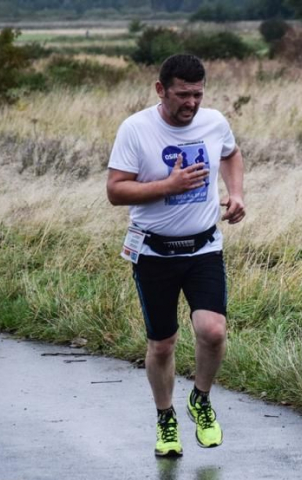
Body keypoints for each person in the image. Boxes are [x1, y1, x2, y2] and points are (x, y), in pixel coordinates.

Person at [106, 54, 245, 458]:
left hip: (204, 246)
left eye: (198, 94)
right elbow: (116, 190)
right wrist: (168, 186)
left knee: (213, 330)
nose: (192, 103)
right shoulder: (135, 129)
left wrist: (236, 194)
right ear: (160, 89)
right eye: (183, 95)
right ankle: (165, 417)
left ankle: (200, 399)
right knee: (163, 345)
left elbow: (231, 154)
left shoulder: (214, 121)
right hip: (153, 251)